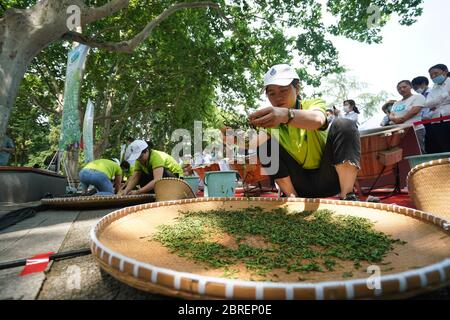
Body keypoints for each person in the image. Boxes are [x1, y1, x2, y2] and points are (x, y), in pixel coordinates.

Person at [248, 64, 361, 200]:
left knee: (345, 124)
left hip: (329, 179)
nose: (278, 97)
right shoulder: (268, 121)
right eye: (272, 93)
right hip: (298, 186)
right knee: (261, 140)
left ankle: (347, 194)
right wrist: (233, 139)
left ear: (297, 89)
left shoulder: (312, 104)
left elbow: (318, 119)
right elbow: (258, 150)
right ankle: (290, 197)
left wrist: (285, 115)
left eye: (283, 90)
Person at [119, 140, 184, 195]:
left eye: (140, 157)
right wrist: (126, 191)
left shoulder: (156, 157)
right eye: (137, 158)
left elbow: (157, 180)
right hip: (162, 179)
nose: (139, 159)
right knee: (140, 175)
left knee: (159, 174)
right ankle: (151, 194)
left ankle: (167, 192)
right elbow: (135, 178)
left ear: (147, 151)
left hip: (176, 178)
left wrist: (138, 192)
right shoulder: (139, 160)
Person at [389, 80, 426, 154]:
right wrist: (394, 119)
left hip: (415, 129)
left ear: (410, 87)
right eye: (399, 88)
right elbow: (391, 114)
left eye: (404, 87)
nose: (402, 89)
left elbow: (415, 110)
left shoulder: (418, 97)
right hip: (400, 131)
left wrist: (402, 119)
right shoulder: (396, 103)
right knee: (405, 152)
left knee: (418, 151)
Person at [423, 63, 450, 153]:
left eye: (436, 73)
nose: (433, 76)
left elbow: (433, 102)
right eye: (431, 75)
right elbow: (427, 104)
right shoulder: (433, 88)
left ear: (445, 71)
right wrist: (446, 95)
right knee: (445, 147)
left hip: (448, 116)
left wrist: (436, 102)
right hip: (437, 120)